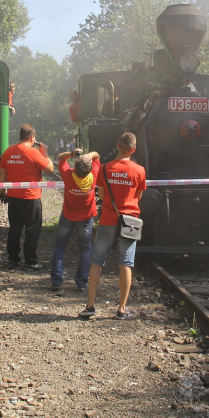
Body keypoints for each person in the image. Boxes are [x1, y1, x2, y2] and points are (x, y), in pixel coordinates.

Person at [80, 133, 145, 320]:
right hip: (130, 221)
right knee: (126, 263)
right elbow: (138, 197)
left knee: (97, 260)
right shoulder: (140, 170)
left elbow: (100, 194)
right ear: (133, 149)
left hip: (108, 219)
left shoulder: (105, 168)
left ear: (118, 145)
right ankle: (121, 309)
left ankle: (91, 306)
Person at [0, 124, 54, 269]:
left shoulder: (8, 151)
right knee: (32, 229)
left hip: (13, 196)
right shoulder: (34, 152)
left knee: (15, 228)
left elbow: (2, 173)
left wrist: (2, 191)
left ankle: (13, 259)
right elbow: (49, 168)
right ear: (32, 137)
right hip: (31, 197)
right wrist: (45, 152)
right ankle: (30, 260)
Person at [50, 149, 100, 292]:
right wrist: (88, 156)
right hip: (85, 218)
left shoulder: (67, 175)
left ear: (75, 167)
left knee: (60, 247)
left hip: (68, 216)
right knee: (85, 249)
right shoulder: (93, 176)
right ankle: (82, 283)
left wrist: (73, 153)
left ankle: (56, 281)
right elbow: (97, 156)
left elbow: (60, 158)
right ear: (89, 169)